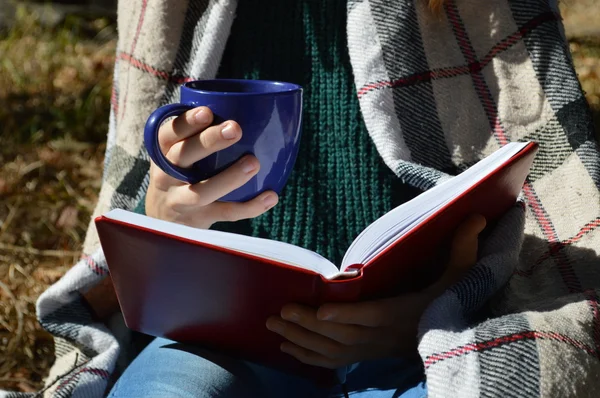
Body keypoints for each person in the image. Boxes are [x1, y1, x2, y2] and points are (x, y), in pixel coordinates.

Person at [27, 0, 600, 397]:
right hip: (223, 335)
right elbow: (132, 194)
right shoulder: (174, 11)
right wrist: (165, 218)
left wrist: (441, 306)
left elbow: (553, 187)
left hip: (428, 336)